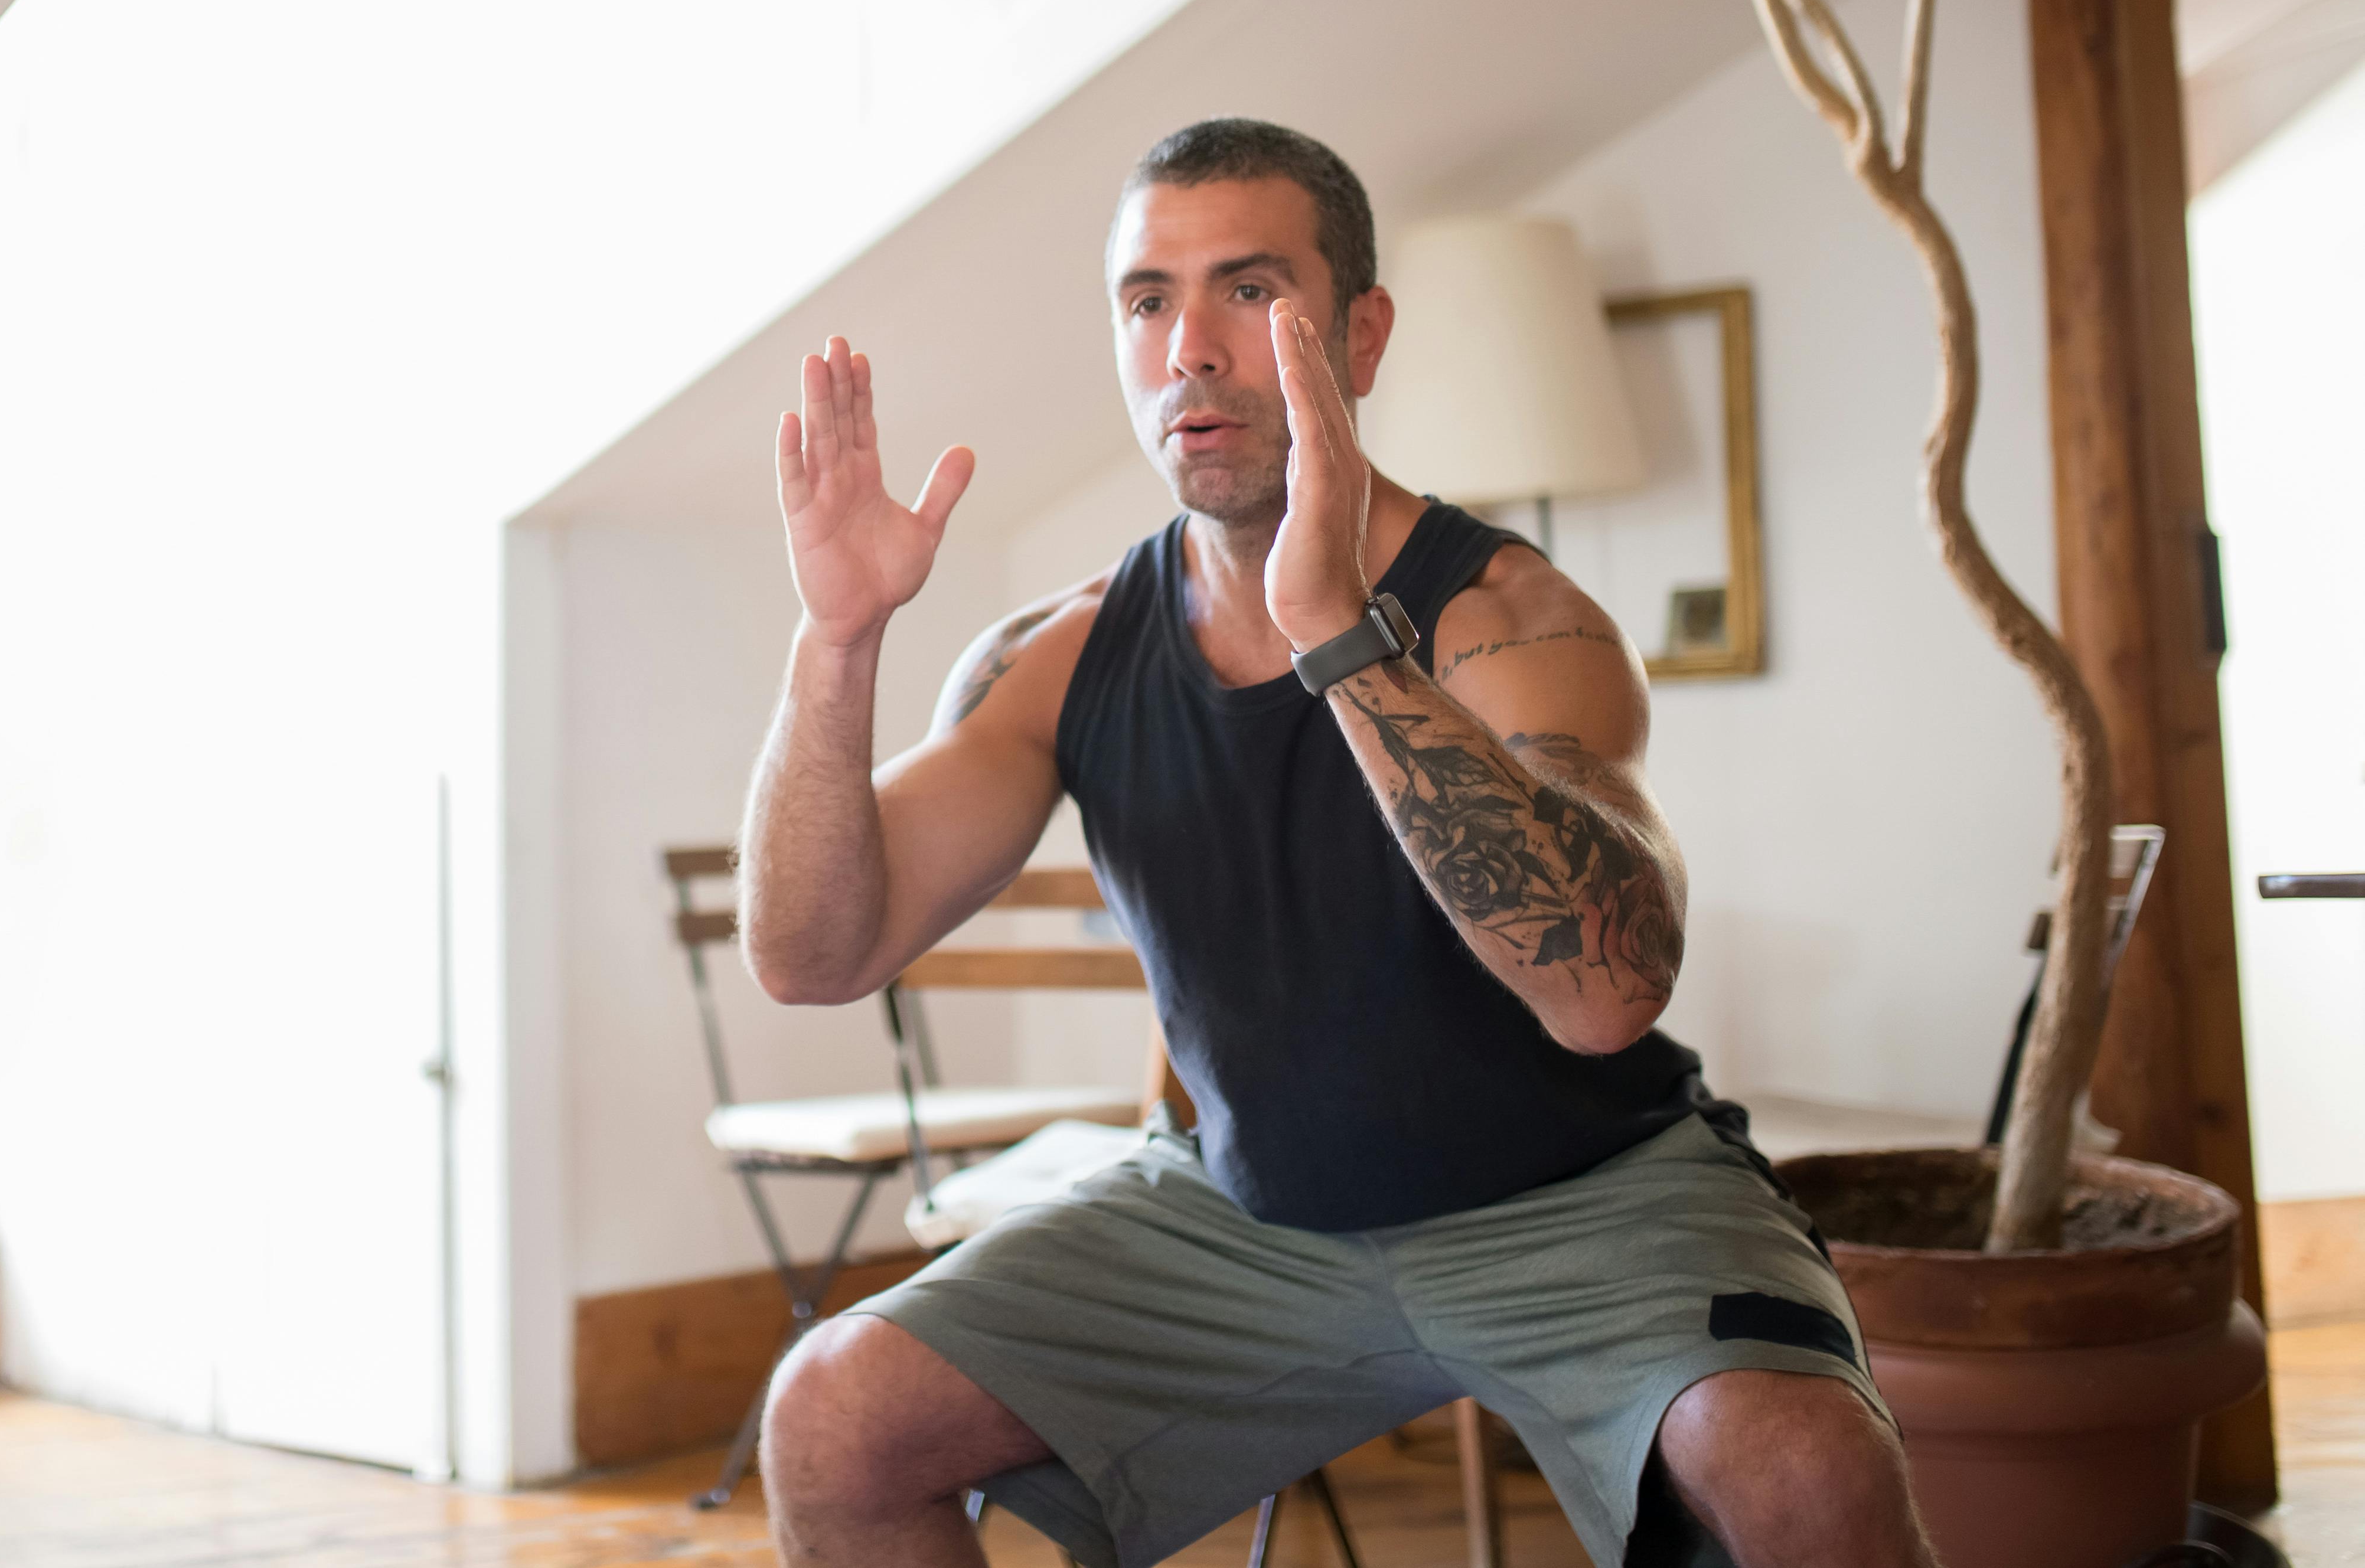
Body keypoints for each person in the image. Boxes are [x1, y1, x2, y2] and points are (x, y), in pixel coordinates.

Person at [739, 119, 1933, 1568]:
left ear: (1357, 335)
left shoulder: (1505, 613)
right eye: (1145, 299)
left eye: (1246, 291)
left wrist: (1338, 639)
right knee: (830, 1418)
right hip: (1241, 1219)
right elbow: (812, 956)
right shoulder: (1052, 658)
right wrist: (837, 639)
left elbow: (1607, 989)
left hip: (1587, 1204)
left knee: (1806, 1474)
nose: (1187, 346)